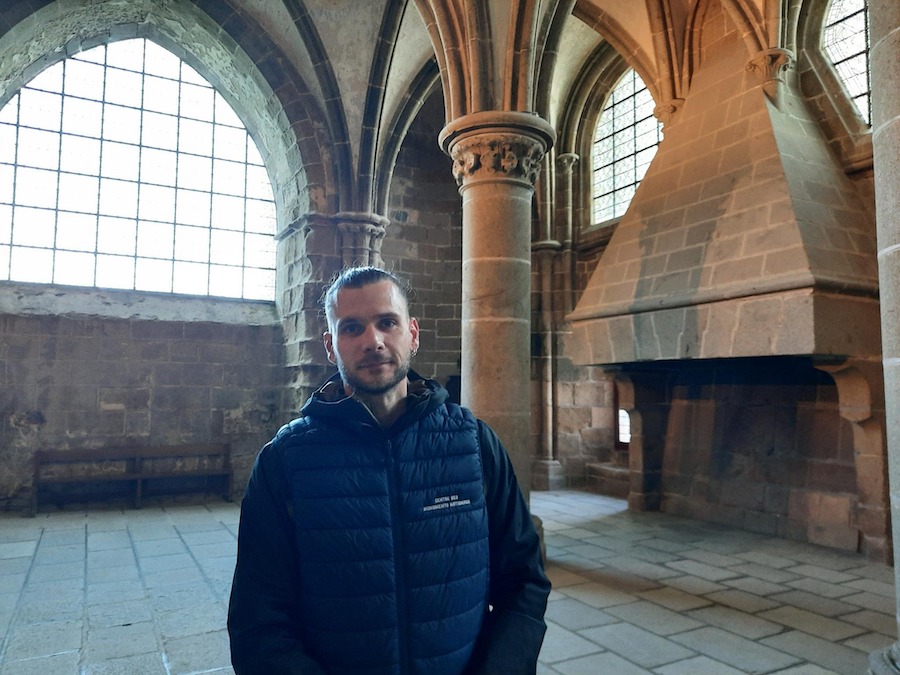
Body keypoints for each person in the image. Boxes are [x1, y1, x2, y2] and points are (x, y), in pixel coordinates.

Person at [227, 266, 550, 675]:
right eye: (352, 328)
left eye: (386, 322)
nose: (373, 341)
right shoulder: (285, 461)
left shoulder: (473, 444)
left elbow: (524, 582)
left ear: (412, 334)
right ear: (331, 345)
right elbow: (258, 621)